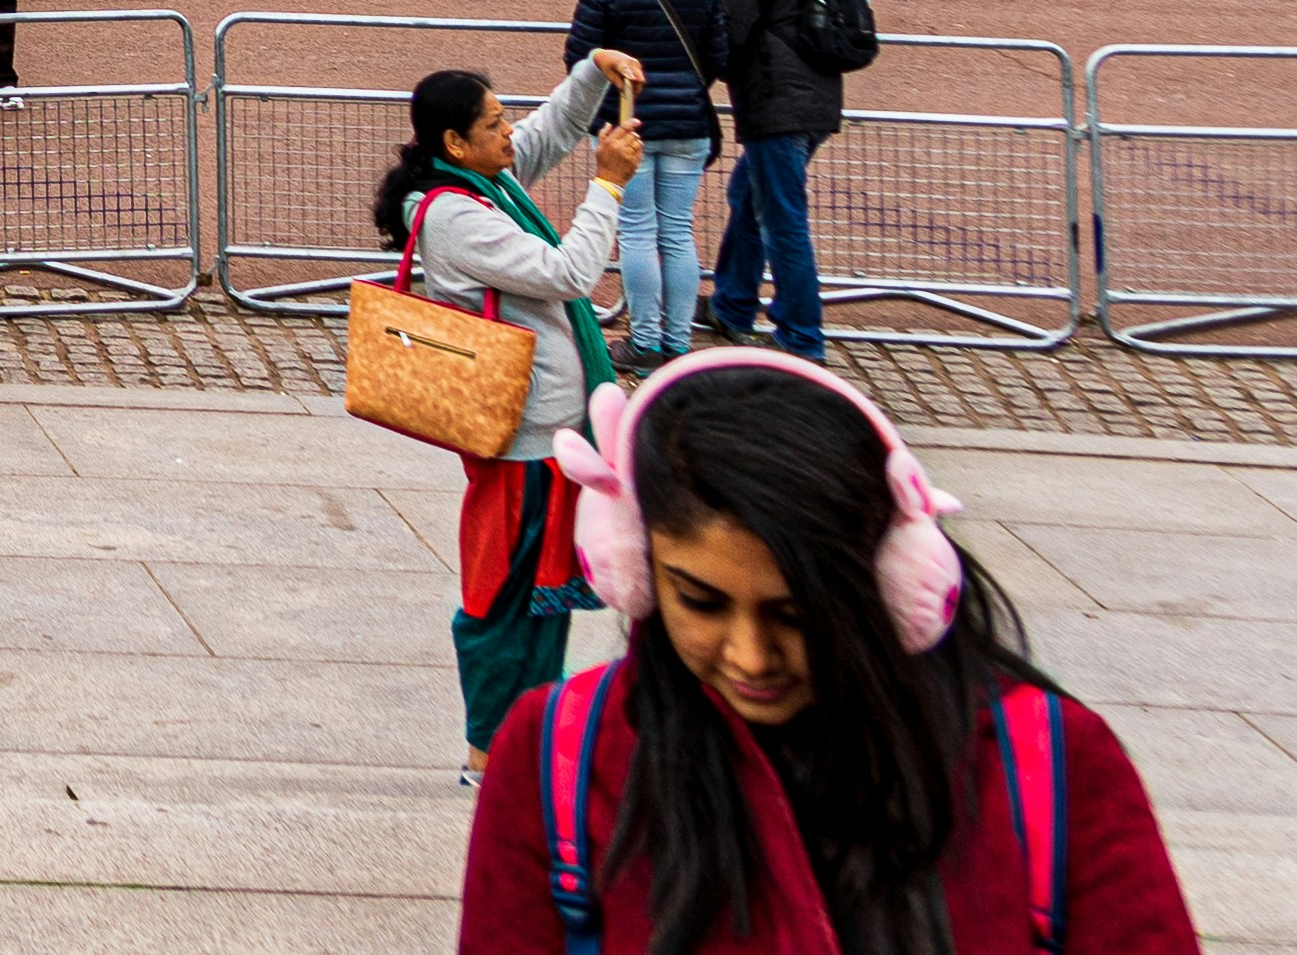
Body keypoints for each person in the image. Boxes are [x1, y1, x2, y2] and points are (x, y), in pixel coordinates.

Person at [453, 354, 1198, 953]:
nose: (750, 656)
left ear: (893, 581)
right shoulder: (553, 754)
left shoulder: (1051, 763)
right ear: (633, 570)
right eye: (701, 602)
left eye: (796, 613)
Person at [381, 51, 634, 755]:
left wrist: (592, 71)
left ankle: (519, 739)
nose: (509, 132)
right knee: (504, 599)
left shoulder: (480, 181)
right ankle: (489, 747)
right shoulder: (455, 216)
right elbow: (569, 272)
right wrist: (607, 186)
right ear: (454, 143)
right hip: (521, 430)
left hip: (548, 430)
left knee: (538, 602)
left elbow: (548, 132)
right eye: (493, 123)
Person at [568, 0, 730, 365]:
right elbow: (718, 55)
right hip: (689, 123)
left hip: (629, 122)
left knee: (637, 232)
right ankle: (679, 342)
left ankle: (645, 340)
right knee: (677, 232)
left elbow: (581, 57)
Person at [692, 0, 849, 359]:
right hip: (818, 99)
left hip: (775, 104)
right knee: (749, 195)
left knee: (783, 219)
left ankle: (802, 336)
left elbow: (728, 35)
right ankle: (733, 304)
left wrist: (690, 87)